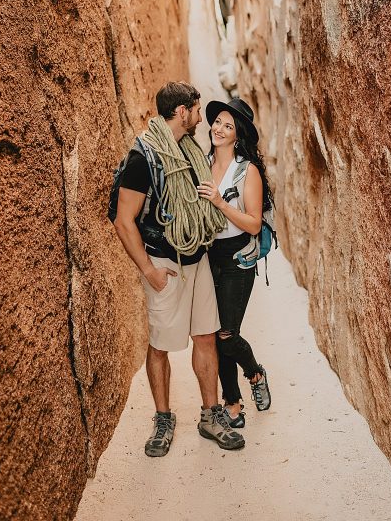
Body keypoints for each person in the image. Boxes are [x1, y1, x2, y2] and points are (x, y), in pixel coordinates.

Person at [112, 81, 245, 456]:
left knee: (205, 336)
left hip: (197, 260)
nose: (201, 118)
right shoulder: (143, 158)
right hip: (164, 266)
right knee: (160, 346)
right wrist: (149, 271)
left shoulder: (188, 150)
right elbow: (124, 221)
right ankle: (163, 419)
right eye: (197, 110)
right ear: (182, 111)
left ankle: (210, 414)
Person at [197, 96, 273, 427]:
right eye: (217, 122)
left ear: (237, 134)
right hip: (208, 255)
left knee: (227, 334)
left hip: (238, 258)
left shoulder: (248, 171)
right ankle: (232, 403)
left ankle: (255, 373)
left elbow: (254, 223)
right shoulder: (201, 163)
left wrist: (219, 202)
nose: (219, 129)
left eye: (228, 125)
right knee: (214, 334)